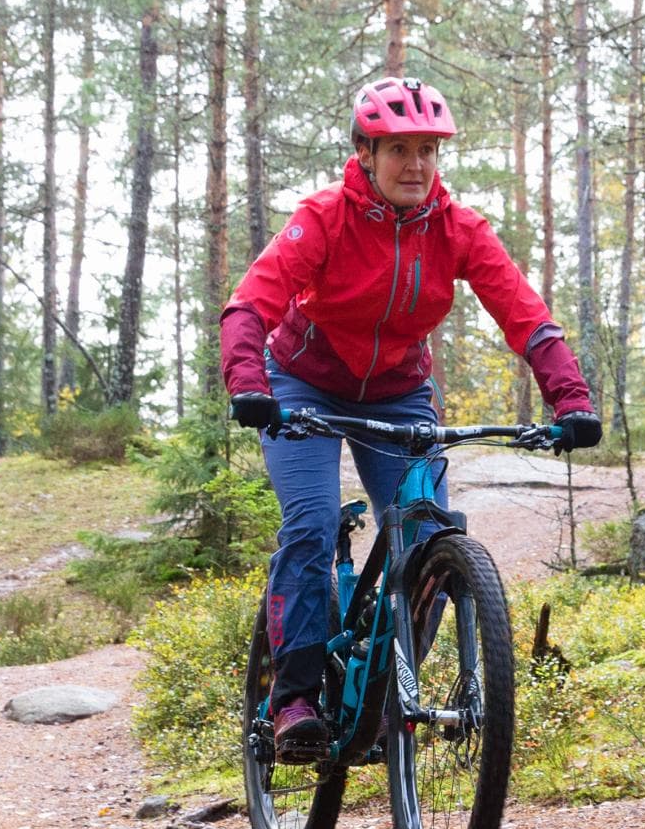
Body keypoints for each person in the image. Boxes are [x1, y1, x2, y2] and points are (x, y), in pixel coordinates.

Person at [218, 78, 600, 758]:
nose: (416, 166)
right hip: (301, 383)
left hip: (397, 391)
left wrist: (569, 397)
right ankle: (296, 696)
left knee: (427, 540)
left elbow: (524, 312)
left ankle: (393, 697)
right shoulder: (325, 218)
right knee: (309, 524)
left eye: (428, 150)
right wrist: (249, 383)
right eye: (399, 149)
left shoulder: (457, 229)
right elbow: (253, 301)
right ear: (365, 152)